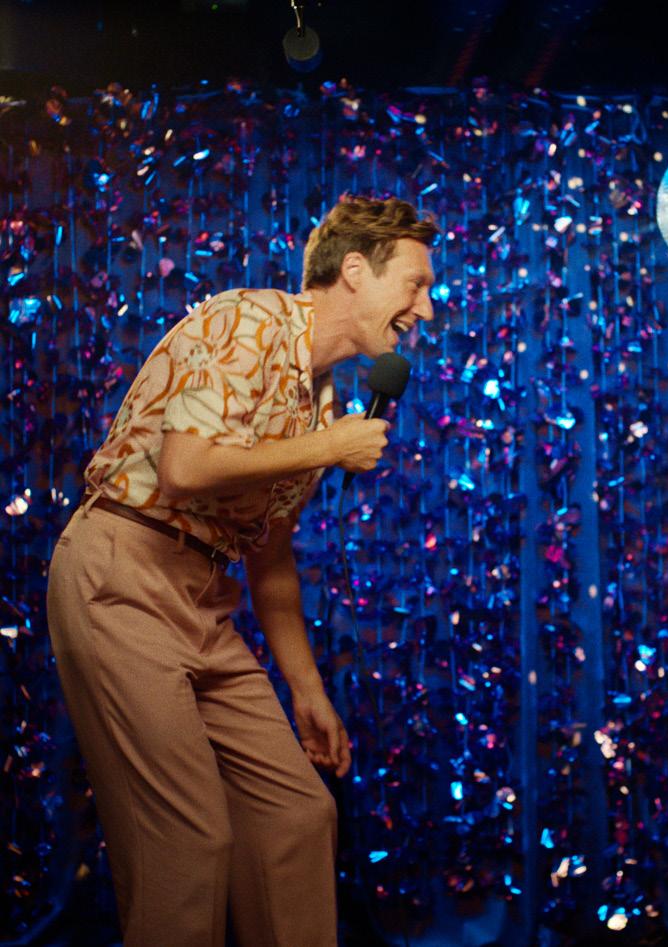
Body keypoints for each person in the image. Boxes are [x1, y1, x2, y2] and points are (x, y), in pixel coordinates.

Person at [46, 195, 439, 946]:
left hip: (204, 599)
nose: (426, 305)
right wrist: (329, 448)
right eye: (416, 284)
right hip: (123, 573)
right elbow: (185, 466)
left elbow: (271, 558)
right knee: (187, 840)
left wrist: (308, 692)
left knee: (299, 814)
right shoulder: (249, 320)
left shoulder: (322, 404)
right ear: (356, 271)